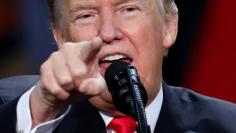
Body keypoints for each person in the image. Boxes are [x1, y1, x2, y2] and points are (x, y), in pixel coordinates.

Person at [0, 0, 236, 132]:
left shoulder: (227, 125)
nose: (108, 33)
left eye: (128, 10)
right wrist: (43, 111)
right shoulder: (23, 110)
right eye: (86, 16)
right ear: (61, 37)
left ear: (168, 26)